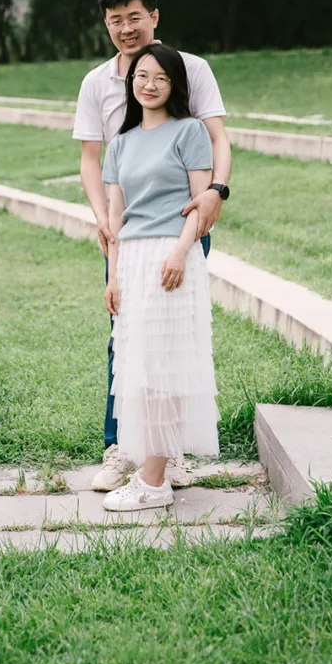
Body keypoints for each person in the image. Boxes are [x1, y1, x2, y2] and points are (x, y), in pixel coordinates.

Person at [72, 0, 231, 491]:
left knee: (174, 338)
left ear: (154, 16)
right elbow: (91, 158)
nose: (126, 28)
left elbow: (216, 137)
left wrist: (216, 191)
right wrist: (103, 217)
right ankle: (120, 447)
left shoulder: (189, 68)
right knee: (126, 339)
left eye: (134, 17)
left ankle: (171, 452)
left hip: (181, 225)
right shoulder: (96, 83)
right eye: (115, 20)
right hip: (126, 231)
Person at [101, 42, 220, 510]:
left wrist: (181, 251)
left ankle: (153, 484)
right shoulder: (120, 143)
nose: (149, 85)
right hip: (131, 259)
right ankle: (151, 473)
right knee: (138, 367)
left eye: (160, 78)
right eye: (141, 76)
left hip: (172, 256)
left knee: (163, 367)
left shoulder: (190, 131)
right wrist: (113, 277)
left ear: (175, 85)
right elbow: (116, 216)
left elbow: (199, 204)